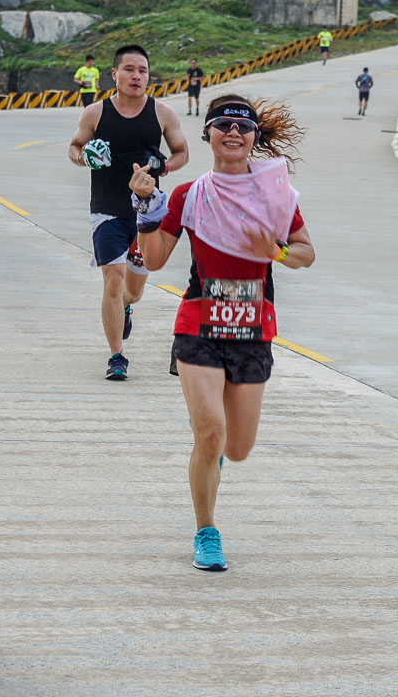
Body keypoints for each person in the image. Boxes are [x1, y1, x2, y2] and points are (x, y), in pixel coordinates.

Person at [129, 93, 315, 571]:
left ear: (254, 137)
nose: (234, 132)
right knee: (209, 432)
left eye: (243, 126)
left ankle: (213, 462)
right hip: (200, 320)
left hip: (253, 325)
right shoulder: (189, 195)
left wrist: (273, 251)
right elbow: (152, 259)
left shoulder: (275, 194)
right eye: (223, 125)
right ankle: (206, 532)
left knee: (235, 444)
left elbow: (305, 253)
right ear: (208, 133)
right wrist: (145, 202)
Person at [68, 44, 189, 380]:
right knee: (113, 279)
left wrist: (163, 168)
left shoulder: (162, 113)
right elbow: (74, 147)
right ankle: (116, 356)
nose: (136, 76)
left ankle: (126, 307)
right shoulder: (95, 113)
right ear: (114, 75)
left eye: (143, 71)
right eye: (129, 70)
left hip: (146, 214)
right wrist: (84, 157)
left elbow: (182, 153)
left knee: (132, 290)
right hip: (106, 210)